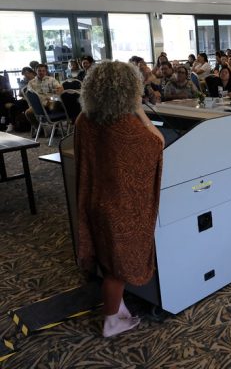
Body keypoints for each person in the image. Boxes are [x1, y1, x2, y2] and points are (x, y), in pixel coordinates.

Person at [74, 60, 164, 337]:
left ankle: (118, 307)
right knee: (119, 267)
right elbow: (157, 143)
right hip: (119, 207)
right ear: (129, 89)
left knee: (107, 259)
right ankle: (111, 321)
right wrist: (139, 111)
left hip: (93, 200)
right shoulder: (126, 126)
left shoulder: (84, 119)